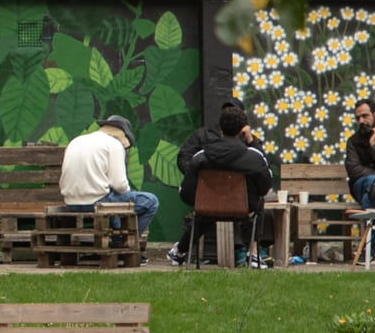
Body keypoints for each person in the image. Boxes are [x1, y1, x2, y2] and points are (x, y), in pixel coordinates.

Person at [170, 105, 275, 266]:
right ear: (242, 130)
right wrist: (252, 141)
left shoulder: (200, 158)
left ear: (220, 129)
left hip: (208, 209)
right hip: (244, 209)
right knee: (259, 202)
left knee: (204, 208)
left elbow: (187, 194)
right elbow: (264, 187)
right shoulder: (253, 157)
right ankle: (253, 254)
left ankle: (179, 251)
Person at [60, 114, 159, 245]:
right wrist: (128, 191)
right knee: (151, 201)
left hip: (71, 203)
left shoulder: (76, 141)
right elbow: (120, 185)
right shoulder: (114, 144)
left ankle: (115, 243)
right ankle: (126, 244)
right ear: (124, 135)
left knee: (113, 200)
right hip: (96, 203)